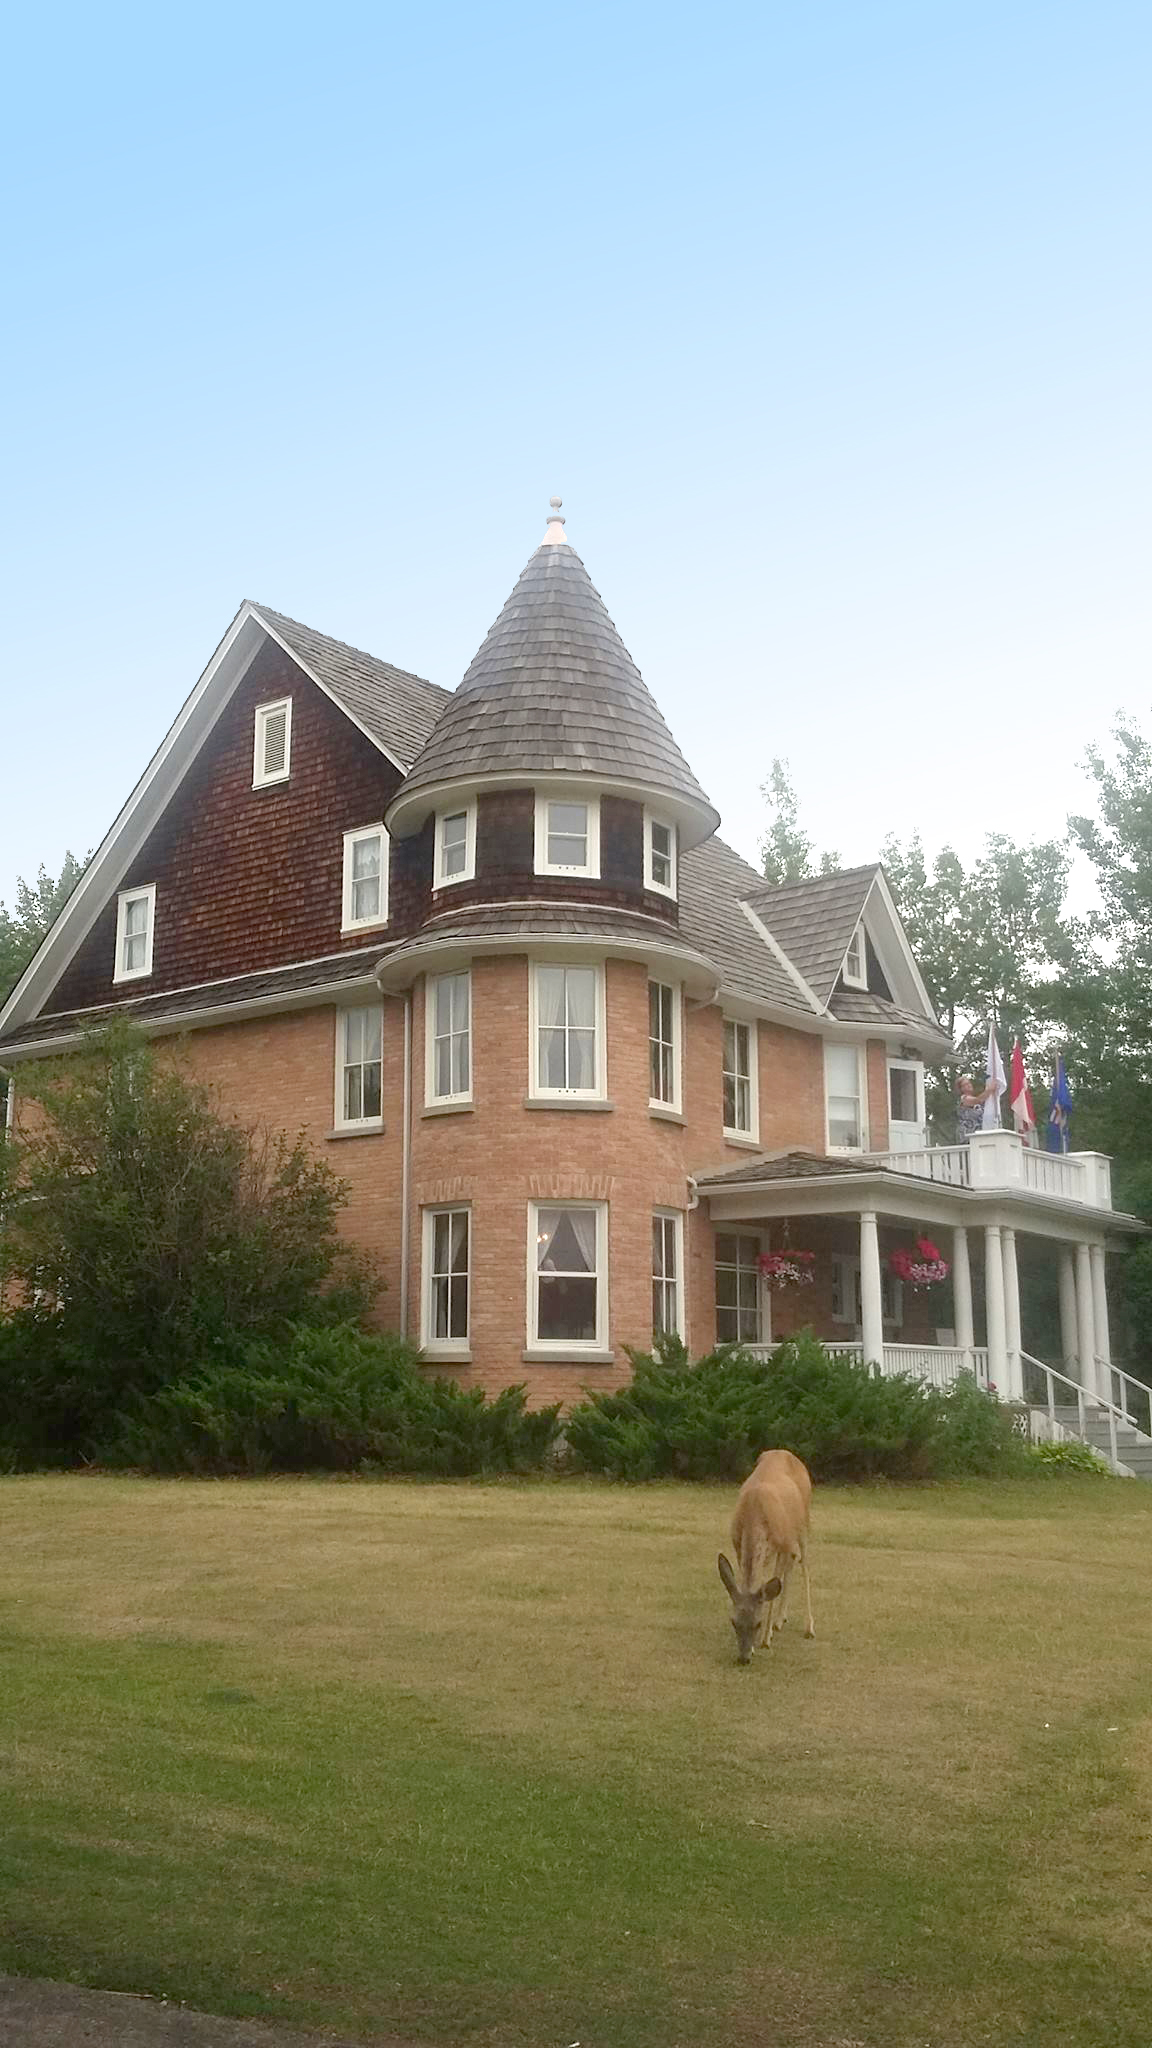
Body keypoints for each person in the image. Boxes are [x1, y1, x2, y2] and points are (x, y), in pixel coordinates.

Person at [956, 1074, 996, 1141]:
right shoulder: (964, 1099)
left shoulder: (973, 1099)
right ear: (961, 1089)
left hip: (979, 1134)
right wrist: (989, 1090)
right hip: (968, 1135)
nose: (969, 1085)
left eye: (969, 1083)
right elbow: (978, 1100)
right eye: (965, 1084)